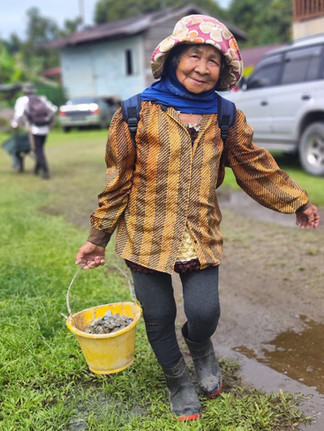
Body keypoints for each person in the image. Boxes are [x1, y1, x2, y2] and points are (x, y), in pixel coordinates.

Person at [75, 15, 320, 421]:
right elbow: (117, 182)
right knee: (157, 316)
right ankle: (178, 380)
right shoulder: (136, 113)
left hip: (198, 235)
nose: (202, 68)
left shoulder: (226, 118)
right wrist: (97, 237)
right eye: (194, 55)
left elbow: (254, 167)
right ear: (173, 58)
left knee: (205, 312)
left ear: (223, 72)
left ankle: (200, 346)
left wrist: (297, 200)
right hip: (145, 236)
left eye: (214, 61)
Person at [11, 82, 57, 179]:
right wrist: (49, 120)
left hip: (33, 129)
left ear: (24, 91)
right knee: (40, 148)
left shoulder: (22, 100)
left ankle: (45, 171)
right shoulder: (41, 99)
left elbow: (18, 115)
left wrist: (15, 124)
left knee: (38, 150)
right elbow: (53, 109)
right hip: (45, 128)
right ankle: (36, 169)